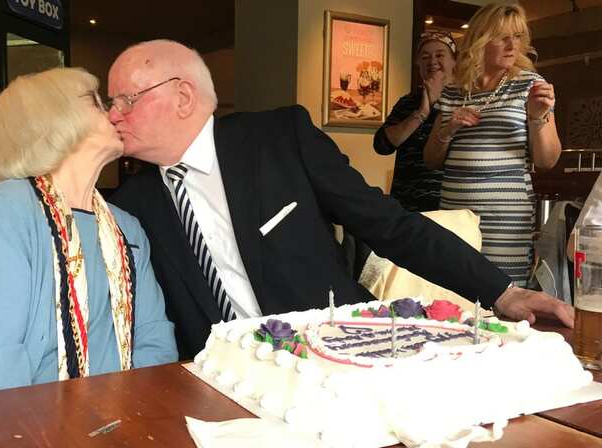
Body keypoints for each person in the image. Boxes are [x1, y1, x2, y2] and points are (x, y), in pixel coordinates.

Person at [107, 39, 573, 360]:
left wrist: (501, 291)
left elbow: (390, 225)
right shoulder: (130, 205)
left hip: (338, 356)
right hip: (226, 384)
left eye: (126, 100)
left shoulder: (278, 139)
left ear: (183, 96)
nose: (113, 115)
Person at [0, 68, 177, 396]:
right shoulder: (8, 210)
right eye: (96, 102)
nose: (115, 112)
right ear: (52, 118)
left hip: (123, 421)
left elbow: (154, 341)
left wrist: (136, 416)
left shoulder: (127, 227)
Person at [423, 3, 561, 287]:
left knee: (504, 297)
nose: (513, 45)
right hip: (456, 215)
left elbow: (548, 160)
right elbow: (431, 160)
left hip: (506, 221)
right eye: (503, 37)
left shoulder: (531, 85)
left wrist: (537, 117)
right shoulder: (453, 90)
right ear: (480, 39)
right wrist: (448, 129)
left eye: (518, 36)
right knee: (452, 293)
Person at [373, 31, 457, 212]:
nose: (432, 61)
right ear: (419, 65)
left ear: (453, 62)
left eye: (440, 55)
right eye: (425, 57)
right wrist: (421, 113)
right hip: (405, 208)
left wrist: (438, 105)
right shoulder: (407, 102)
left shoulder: (464, 100)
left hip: (448, 208)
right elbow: (381, 145)